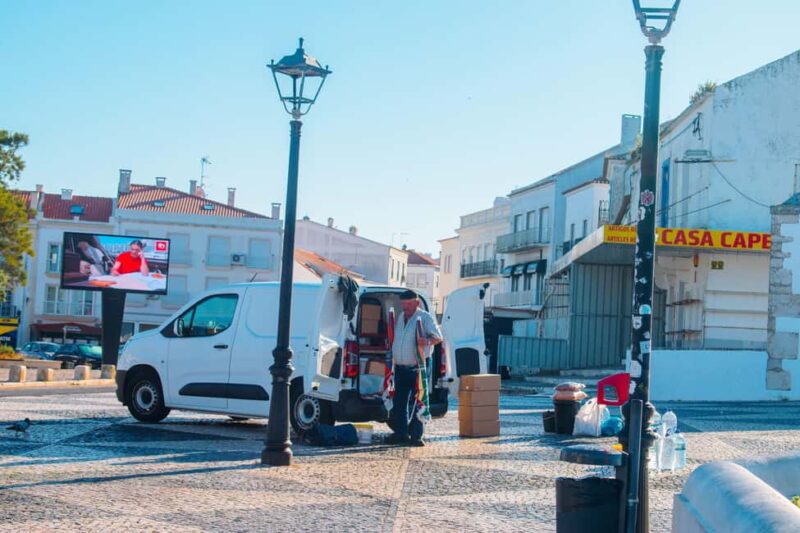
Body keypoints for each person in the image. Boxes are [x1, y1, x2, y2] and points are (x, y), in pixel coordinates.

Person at [385, 290, 443, 447]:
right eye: (403, 304)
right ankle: (401, 433)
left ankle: (417, 436)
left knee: (420, 401)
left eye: (409, 304)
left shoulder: (425, 317)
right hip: (401, 368)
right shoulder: (400, 318)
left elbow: (438, 337)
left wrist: (427, 341)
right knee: (399, 402)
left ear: (417, 303)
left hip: (419, 367)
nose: (405, 307)